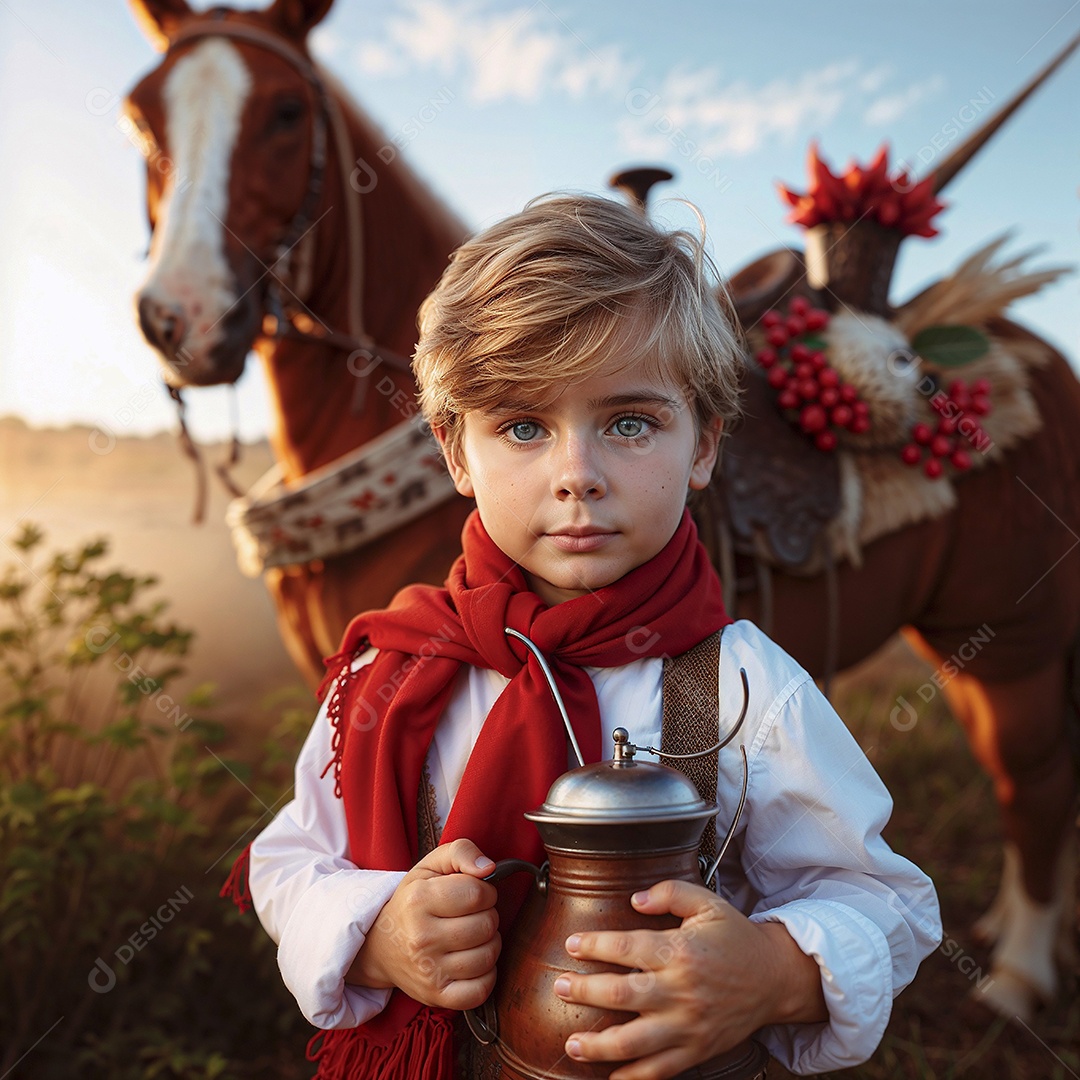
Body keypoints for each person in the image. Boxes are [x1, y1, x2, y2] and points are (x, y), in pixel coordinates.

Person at [246, 194, 941, 1079]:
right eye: (524, 427)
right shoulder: (393, 669)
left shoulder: (742, 685)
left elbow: (883, 901)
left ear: (702, 445)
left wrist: (770, 974)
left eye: (628, 423)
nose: (578, 476)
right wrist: (376, 934)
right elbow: (293, 858)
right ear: (457, 454)